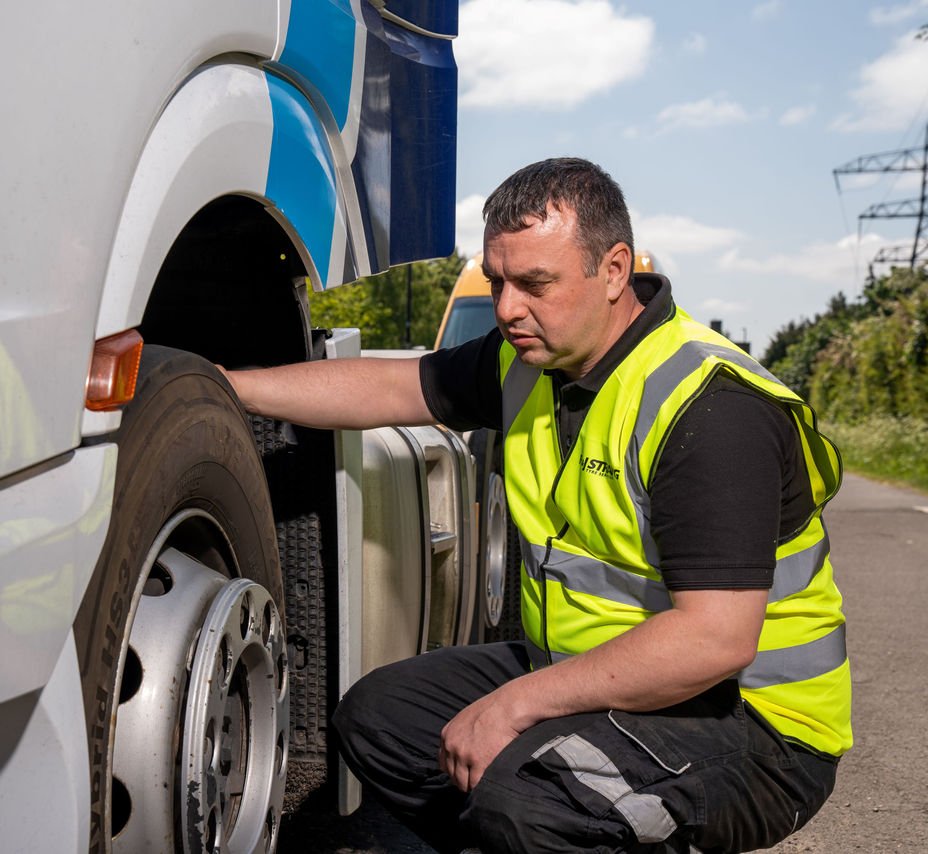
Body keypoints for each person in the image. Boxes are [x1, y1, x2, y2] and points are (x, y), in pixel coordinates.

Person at [224, 158, 850, 853]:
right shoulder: (527, 365)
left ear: (614, 271)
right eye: (498, 282)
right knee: (379, 718)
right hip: (600, 670)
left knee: (526, 803)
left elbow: (715, 640)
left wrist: (516, 704)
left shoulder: (711, 407)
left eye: (535, 284)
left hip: (754, 724)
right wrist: (229, 385)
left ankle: (553, 828)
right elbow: (391, 388)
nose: (506, 309)